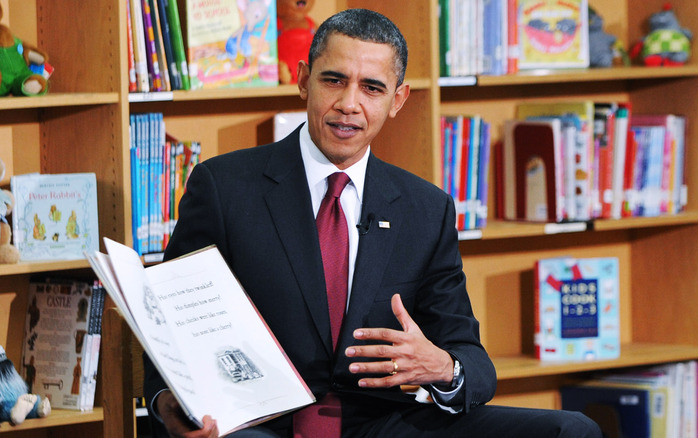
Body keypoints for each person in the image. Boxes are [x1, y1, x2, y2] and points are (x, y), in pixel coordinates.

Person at [143, 8, 603, 438]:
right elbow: (167, 324)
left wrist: (441, 365)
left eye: (372, 88)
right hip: (261, 423)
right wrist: (169, 405)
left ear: (398, 100)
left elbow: (472, 361)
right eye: (334, 80)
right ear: (304, 81)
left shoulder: (427, 208)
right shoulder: (224, 187)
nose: (349, 104)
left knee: (571, 430)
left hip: (380, 424)